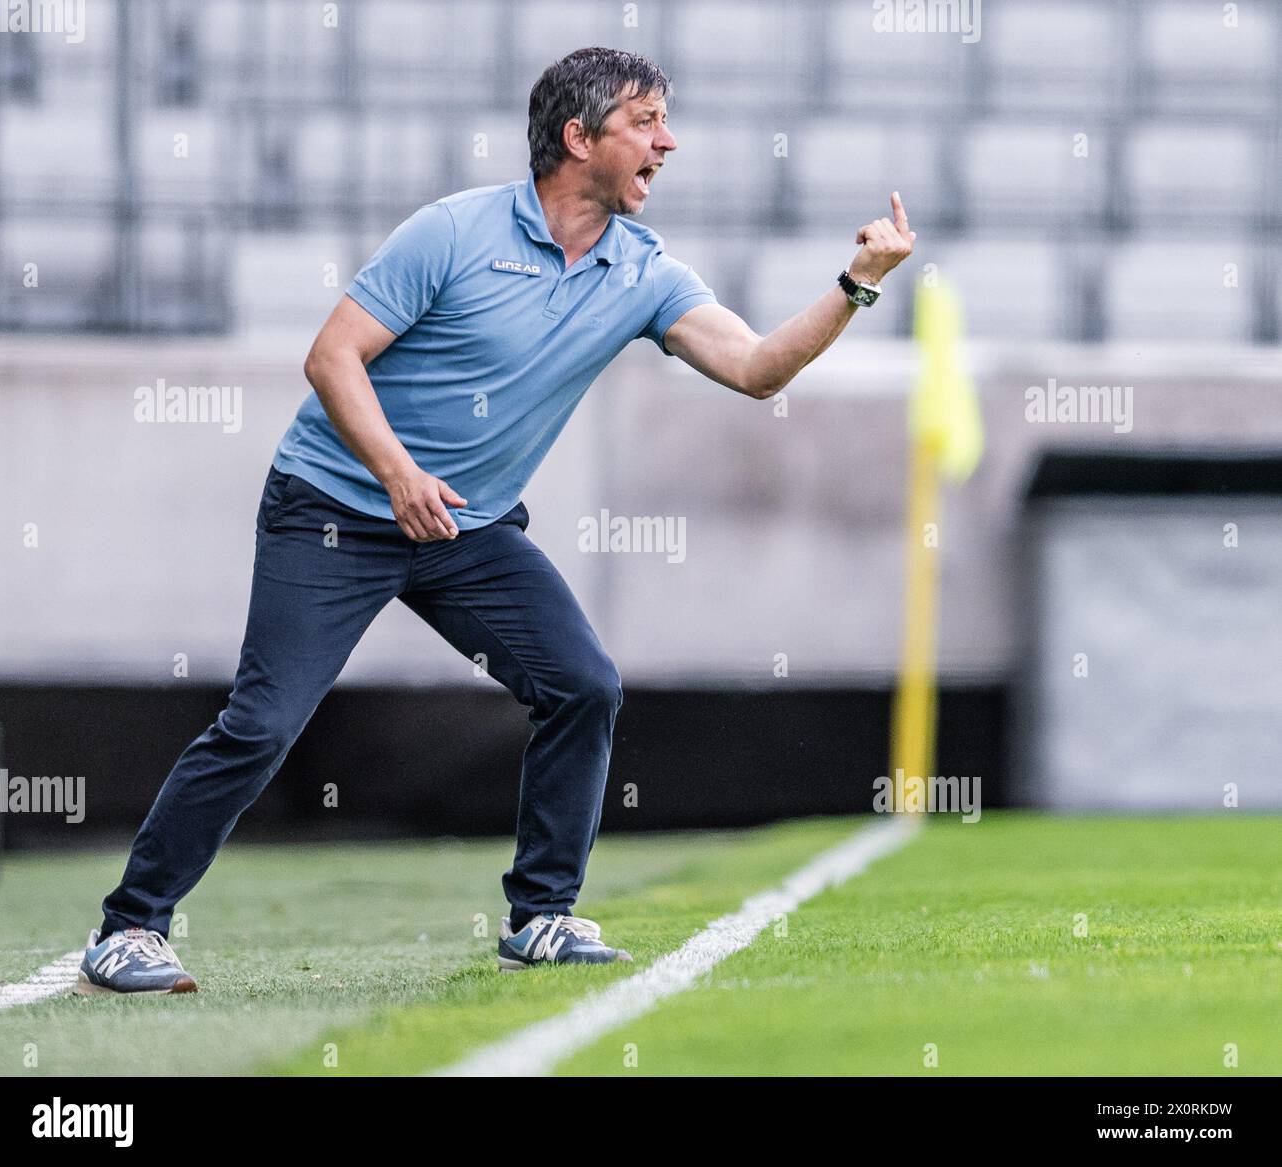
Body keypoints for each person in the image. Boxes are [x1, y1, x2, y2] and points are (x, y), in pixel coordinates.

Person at [77, 46, 915, 994]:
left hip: (467, 530)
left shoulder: (643, 271)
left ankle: (541, 916)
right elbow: (333, 359)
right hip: (333, 508)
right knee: (263, 723)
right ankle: (128, 929)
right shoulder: (452, 232)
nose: (666, 142)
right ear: (577, 137)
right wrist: (396, 474)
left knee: (584, 684)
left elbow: (759, 369)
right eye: (645, 123)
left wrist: (857, 283)